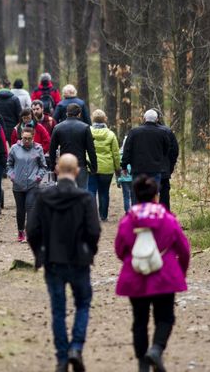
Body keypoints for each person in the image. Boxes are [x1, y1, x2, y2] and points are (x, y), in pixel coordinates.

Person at [27, 154, 101, 372]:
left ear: (57, 170)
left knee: (58, 310)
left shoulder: (44, 197)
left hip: (53, 259)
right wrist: (90, 250)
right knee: (83, 304)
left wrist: (40, 252)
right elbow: (94, 230)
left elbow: (32, 230)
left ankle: (61, 357)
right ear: (77, 172)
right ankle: (76, 348)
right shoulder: (85, 198)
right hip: (79, 259)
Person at [114, 175, 190, 372]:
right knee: (165, 318)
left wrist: (134, 262)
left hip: (135, 276)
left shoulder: (127, 220)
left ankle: (143, 365)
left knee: (139, 321)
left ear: (136, 195)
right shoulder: (168, 219)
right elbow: (184, 249)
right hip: (165, 276)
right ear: (156, 195)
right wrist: (180, 272)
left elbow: (119, 250)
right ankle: (156, 349)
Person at [121, 110, 177, 212]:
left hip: (138, 169)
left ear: (144, 118)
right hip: (155, 169)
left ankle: (137, 216)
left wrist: (124, 165)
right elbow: (166, 149)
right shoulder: (162, 133)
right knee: (153, 195)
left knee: (137, 194)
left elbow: (127, 150)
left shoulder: (134, 132)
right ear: (157, 119)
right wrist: (160, 159)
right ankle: (152, 215)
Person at [7, 127, 48, 243]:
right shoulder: (14, 149)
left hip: (32, 184)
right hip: (18, 184)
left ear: (33, 138)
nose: (26, 141)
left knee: (30, 207)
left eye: (29, 139)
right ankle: (21, 231)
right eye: (24, 138)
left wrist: (38, 177)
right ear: (21, 137)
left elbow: (43, 166)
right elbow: (9, 164)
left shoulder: (38, 149)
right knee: (20, 210)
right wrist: (12, 176)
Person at [49, 103, 97, 190]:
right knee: (82, 192)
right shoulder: (85, 127)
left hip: (64, 166)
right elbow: (91, 149)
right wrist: (94, 166)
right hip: (80, 165)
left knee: (64, 192)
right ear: (79, 114)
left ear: (67, 113)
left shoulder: (58, 127)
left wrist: (53, 166)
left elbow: (52, 148)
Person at [88, 110, 120, 221]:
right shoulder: (110, 134)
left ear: (93, 119)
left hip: (91, 167)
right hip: (107, 168)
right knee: (104, 192)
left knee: (91, 191)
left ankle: (92, 215)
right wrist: (117, 168)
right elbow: (115, 153)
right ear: (105, 119)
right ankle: (103, 216)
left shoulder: (88, 132)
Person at [154, 112, 180, 212]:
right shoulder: (167, 131)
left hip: (146, 170)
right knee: (164, 194)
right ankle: (164, 216)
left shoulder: (139, 131)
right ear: (158, 118)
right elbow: (174, 151)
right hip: (163, 169)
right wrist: (170, 166)